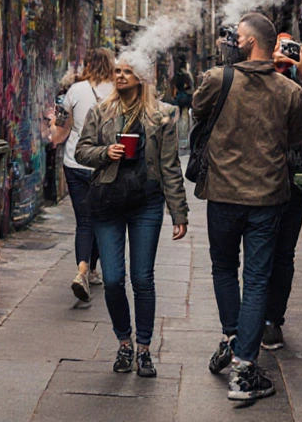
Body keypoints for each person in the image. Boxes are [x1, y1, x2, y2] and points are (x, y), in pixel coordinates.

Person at [192, 12, 302, 401]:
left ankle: (232, 337)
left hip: (223, 197)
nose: (231, 41)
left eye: (237, 37)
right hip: (267, 198)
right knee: (257, 278)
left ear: (252, 42)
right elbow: (296, 138)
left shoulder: (216, 79)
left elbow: (198, 111)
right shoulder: (290, 92)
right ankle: (244, 367)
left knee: (225, 268)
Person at [75, 59, 189, 378]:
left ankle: (144, 349)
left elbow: (170, 166)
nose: (120, 76)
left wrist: (178, 211)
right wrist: (103, 153)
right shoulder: (100, 111)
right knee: (112, 279)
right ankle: (123, 342)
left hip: (146, 203)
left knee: (142, 278)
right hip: (107, 203)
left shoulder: (162, 115)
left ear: (142, 78)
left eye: (128, 71)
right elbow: (81, 150)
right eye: (118, 71)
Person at [260, 37, 302, 351]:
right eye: (279, 46)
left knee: (283, 253)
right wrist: (267, 67)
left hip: (293, 179)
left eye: (291, 47)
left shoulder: (301, 84)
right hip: (259, 179)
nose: (285, 53)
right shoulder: (255, 79)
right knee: (259, 251)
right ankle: (252, 319)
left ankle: (273, 320)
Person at [49, 48, 115, 301]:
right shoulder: (118, 90)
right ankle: (93, 269)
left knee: (84, 220)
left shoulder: (75, 91)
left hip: (75, 163)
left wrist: (54, 134)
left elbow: (61, 124)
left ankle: (83, 271)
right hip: (105, 163)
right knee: (100, 218)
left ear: (87, 64)